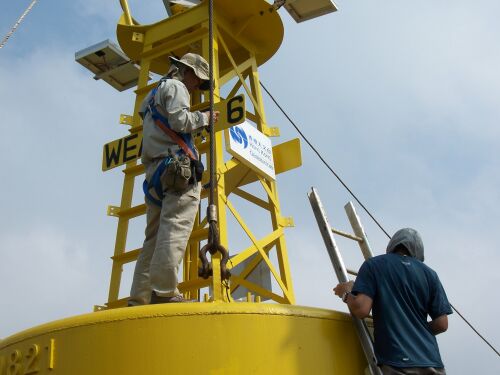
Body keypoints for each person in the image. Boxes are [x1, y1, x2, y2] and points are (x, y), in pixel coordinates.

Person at [129, 53, 219, 305]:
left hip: (155, 171)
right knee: (174, 229)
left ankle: (139, 298)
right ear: (187, 72)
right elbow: (180, 121)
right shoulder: (177, 87)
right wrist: (205, 118)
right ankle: (165, 292)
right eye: (197, 80)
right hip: (177, 170)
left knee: (153, 238)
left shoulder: (151, 96)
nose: (196, 86)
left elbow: (156, 122)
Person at [334, 228, 452, 375]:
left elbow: (361, 309)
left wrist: (345, 292)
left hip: (398, 362)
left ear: (392, 245)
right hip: (432, 362)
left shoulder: (375, 265)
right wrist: (414, 332)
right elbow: (442, 324)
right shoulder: (430, 275)